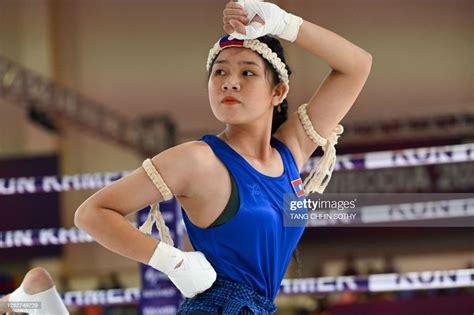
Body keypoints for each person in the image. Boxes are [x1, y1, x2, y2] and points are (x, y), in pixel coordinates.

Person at [5, 1, 371, 314]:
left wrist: (285, 23)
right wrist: (172, 261)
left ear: (278, 91)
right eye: (220, 72)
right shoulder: (199, 159)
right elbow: (91, 214)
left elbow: (357, 66)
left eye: (247, 72)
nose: (230, 82)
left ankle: (40, 301)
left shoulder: (291, 150)